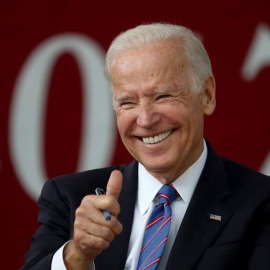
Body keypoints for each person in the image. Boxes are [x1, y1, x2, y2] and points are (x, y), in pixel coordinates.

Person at [21, 23, 270, 270]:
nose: (145, 120)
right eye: (128, 102)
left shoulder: (260, 203)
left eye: (162, 96)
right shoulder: (70, 198)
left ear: (207, 95)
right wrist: (77, 256)